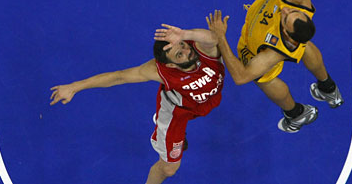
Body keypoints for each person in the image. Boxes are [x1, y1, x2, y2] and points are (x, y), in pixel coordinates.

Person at [49, 24, 225, 184]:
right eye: (179, 54)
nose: (187, 51)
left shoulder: (200, 48)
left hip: (205, 101)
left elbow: (213, 39)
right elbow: (120, 76)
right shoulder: (160, 71)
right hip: (177, 112)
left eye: (183, 45)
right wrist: (74, 87)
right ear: (171, 64)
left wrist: (185, 34)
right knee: (169, 169)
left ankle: (175, 139)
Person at [207, 0, 343, 134]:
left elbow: (241, 77)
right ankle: (328, 87)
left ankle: (296, 114)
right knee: (305, 46)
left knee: (263, 78)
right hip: (285, 34)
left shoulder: (271, 53)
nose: (285, 10)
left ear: (286, 33)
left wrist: (221, 37)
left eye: (286, 18)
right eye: (293, 12)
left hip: (256, 44)